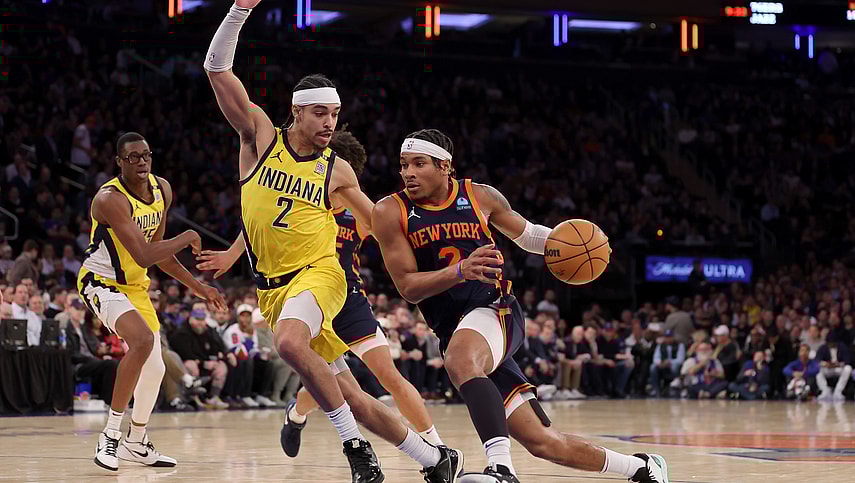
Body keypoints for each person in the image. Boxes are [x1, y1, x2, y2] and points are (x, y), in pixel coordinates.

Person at [203, 4, 459, 480]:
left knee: (289, 343)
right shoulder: (260, 139)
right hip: (272, 290)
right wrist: (238, 10)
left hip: (321, 276)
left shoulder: (335, 170)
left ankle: (355, 450)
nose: (328, 123)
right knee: (353, 397)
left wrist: (437, 254)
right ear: (296, 111)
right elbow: (217, 68)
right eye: (320, 113)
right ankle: (435, 460)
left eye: (335, 114)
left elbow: (380, 224)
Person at [372, 128, 668, 483]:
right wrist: (460, 270)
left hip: (496, 310)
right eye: (404, 165)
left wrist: (573, 247)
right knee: (542, 441)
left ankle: (501, 471)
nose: (408, 173)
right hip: (455, 328)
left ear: (445, 166)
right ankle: (643, 467)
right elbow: (407, 287)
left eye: (419, 164)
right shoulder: (391, 210)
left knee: (460, 360)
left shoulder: (479, 196)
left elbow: (528, 235)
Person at [77, 131, 226, 471]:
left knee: (156, 366)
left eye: (145, 155)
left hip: (135, 286)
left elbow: (159, 255)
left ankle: (136, 442)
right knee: (142, 342)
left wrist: (199, 287)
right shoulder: (109, 199)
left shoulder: (163, 190)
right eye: (132, 157)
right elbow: (144, 254)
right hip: (101, 282)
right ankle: (110, 436)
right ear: (119, 162)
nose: (141, 161)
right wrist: (186, 236)